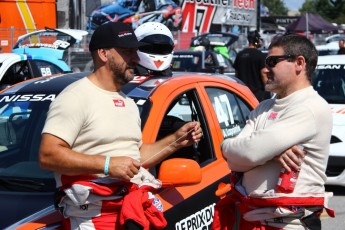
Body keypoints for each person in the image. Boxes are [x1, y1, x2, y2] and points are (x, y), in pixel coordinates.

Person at [39, 21, 202, 230]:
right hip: (91, 219)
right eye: (127, 52)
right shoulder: (75, 97)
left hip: (128, 214)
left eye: (136, 51)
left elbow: (133, 158)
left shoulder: (127, 102)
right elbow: (48, 155)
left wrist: (176, 141)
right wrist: (107, 165)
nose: (136, 58)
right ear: (104, 54)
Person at [212, 34, 334, 230]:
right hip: (249, 217)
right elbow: (232, 157)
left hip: (290, 224)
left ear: (299, 63)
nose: (265, 69)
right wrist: (271, 153)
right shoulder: (264, 107)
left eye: (272, 62)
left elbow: (250, 153)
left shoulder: (311, 107)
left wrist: (258, 152)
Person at [233, 30, 270, 102]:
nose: (260, 41)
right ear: (256, 40)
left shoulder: (240, 54)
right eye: (259, 39)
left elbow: (236, 74)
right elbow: (263, 73)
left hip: (242, 92)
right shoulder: (260, 55)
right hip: (257, 93)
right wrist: (267, 88)